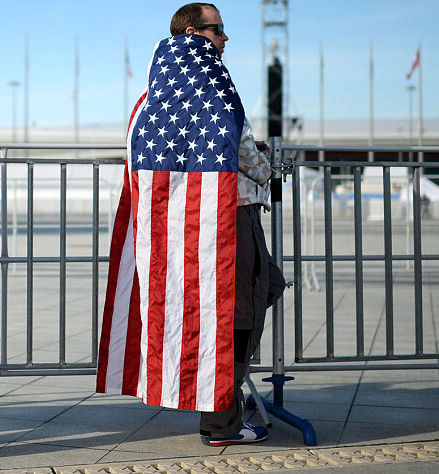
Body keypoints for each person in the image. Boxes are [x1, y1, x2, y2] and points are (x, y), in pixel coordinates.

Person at [169, 3, 286, 447]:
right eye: (218, 30)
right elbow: (247, 160)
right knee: (239, 312)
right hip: (232, 215)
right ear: (196, 34)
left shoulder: (165, 86)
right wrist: (266, 164)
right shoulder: (213, 87)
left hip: (197, 218)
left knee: (259, 291)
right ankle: (221, 420)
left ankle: (220, 399)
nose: (225, 38)